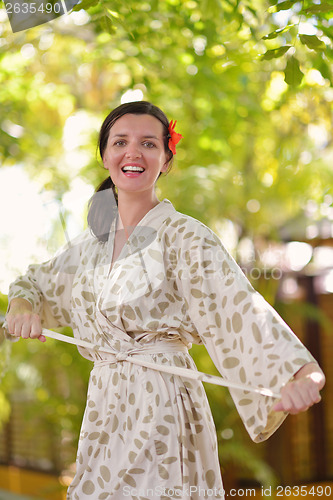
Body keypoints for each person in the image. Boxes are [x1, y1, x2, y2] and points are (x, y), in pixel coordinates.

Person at [5, 101, 325, 500]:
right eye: (120, 142)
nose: (133, 153)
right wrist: (22, 307)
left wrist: (297, 373)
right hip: (105, 408)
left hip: (162, 403)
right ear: (106, 156)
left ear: (165, 159)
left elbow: (237, 307)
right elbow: (34, 283)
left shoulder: (187, 236)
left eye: (148, 144)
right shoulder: (88, 244)